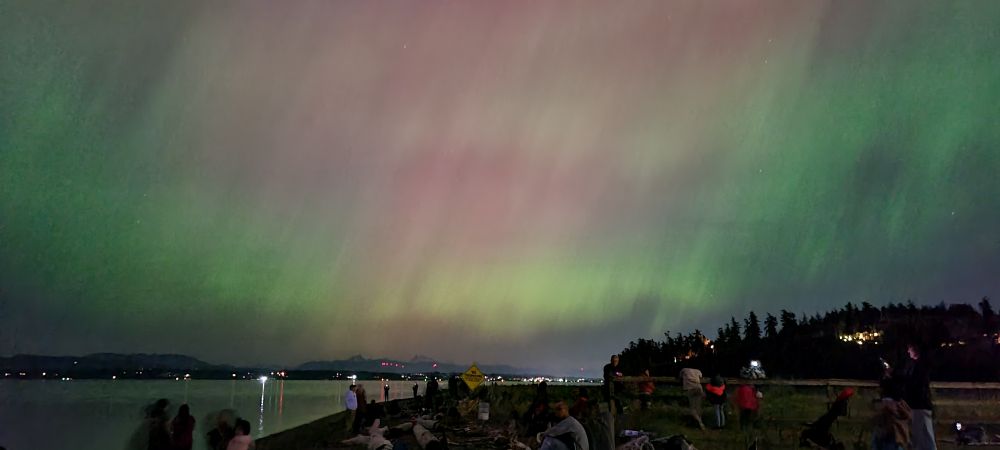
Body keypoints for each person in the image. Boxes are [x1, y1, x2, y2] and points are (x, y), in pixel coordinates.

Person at [900, 344, 935, 450]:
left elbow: (915, 384)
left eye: (910, 349)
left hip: (919, 404)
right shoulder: (918, 365)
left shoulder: (919, 366)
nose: (908, 351)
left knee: (921, 434)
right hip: (919, 404)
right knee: (923, 433)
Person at [871, 380, 911, 450]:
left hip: (885, 435)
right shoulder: (900, 405)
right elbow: (909, 417)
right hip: (896, 436)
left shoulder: (880, 405)